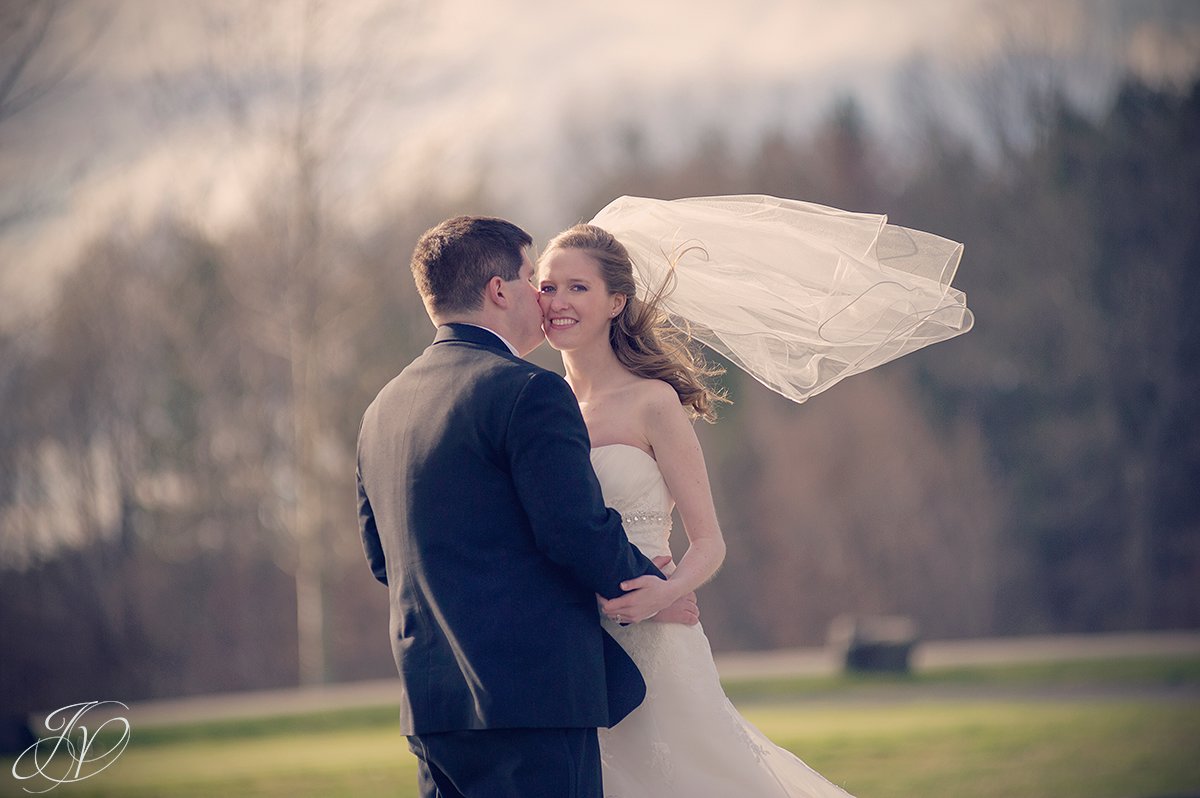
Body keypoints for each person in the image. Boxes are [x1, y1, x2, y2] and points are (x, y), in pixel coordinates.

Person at [356, 216, 698, 798]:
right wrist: (651, 591)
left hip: (434, 709)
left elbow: (385, 561)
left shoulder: (382, 410)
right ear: (499, 290)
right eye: (531, 278)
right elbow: (573, 531)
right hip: (531, 704)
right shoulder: (528, 390)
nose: (544, 297)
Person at [537, 222, 859, 797]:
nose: (557, 302)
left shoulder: (652, 402)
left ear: (616, 302)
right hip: (573, 643)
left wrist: (664, 592)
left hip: (656, 642)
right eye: (547, 286)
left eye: (577, 288)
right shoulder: (538, 404)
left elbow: (710, 542)